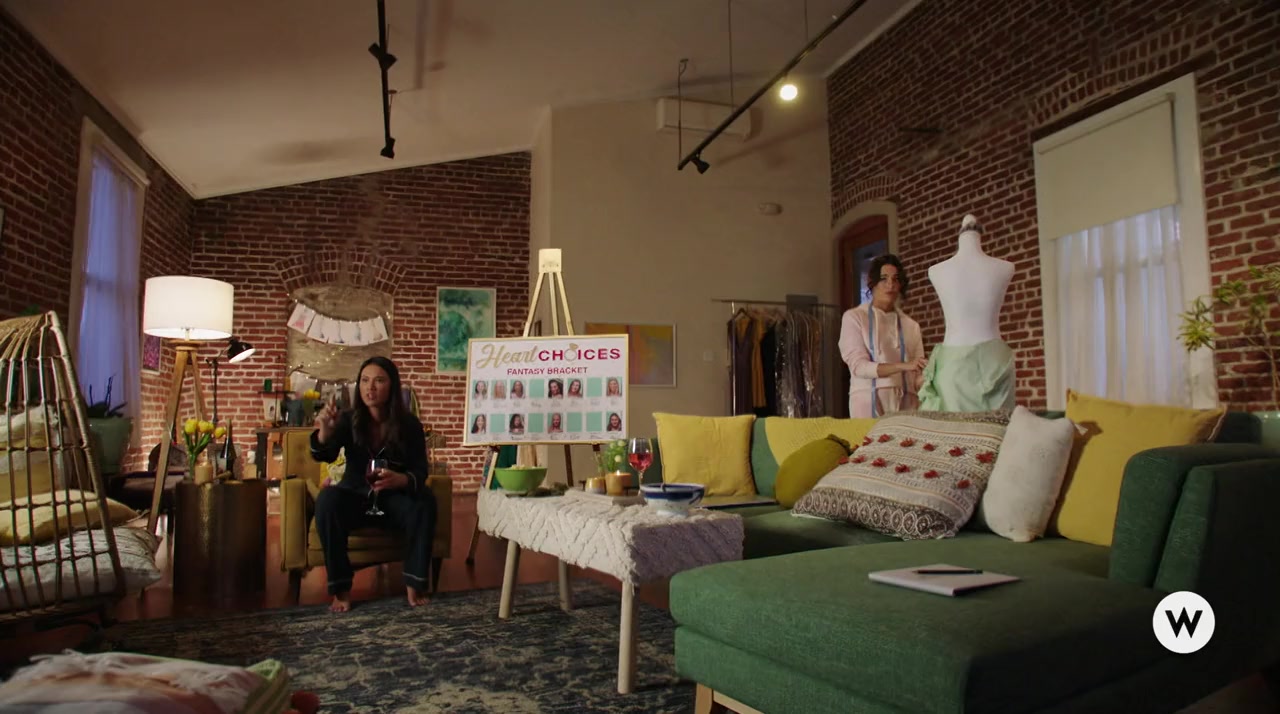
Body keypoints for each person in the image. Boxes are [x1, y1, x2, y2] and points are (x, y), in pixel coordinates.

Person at [310, 356, 436, 613]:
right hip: (355, 497)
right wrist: (324, 432)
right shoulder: (348, 420)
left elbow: (420, 470)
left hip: (393, 500)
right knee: (327, 500)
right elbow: (325, 455)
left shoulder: (410, 425)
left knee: (426, 501)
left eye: (379, 381)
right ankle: (341, 589)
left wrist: (401, 479)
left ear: (392, 385)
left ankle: (414, 583)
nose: (370, 388)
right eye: (365, 381)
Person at [920, 215, 1017, 412]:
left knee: (996, 429)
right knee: (957, 429)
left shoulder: (1006, 267)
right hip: (978, 364)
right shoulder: (936, 270)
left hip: (973, 366)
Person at [838, 254, 927, 417]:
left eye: (895, 279)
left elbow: (918, 376)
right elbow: (858, 367)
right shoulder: (855, 317)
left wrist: (935, 375)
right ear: (872, 282)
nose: (890, 284)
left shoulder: (911, 326)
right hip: (867, 403)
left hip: (907, 406)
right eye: (884, 278)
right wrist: (903, 366)